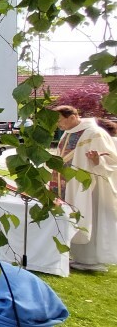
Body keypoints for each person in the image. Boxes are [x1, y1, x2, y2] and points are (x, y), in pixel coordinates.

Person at [54, 105, 117, 271]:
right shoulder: (67, 133)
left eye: (60, 120)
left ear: (72, 117)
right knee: (73, 215)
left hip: (89, 185)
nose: (58, 125)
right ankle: (78, 256)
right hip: (68, 183)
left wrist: (97, 160)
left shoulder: (95, 133)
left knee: (88, 215)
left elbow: (112, 160)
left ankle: (91, 260)